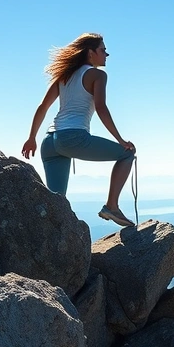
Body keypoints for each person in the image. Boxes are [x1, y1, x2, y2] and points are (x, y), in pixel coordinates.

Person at [22, 32, 137, 227]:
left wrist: (31, 138)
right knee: (127, 154)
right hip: (73, 139)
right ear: (90, 53)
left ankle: (48, 236)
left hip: (49, 142)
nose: (106, 55)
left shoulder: (64, 77)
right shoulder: (98, 75)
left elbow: (43, 107)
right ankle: (112, 206)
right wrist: (121, 141)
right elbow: (101, 108)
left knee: (57, 202)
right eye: (103, 50)